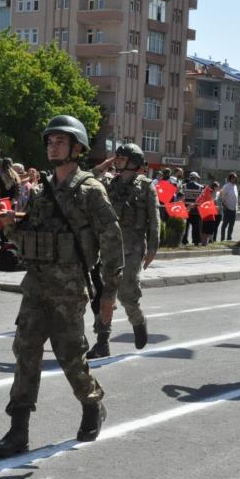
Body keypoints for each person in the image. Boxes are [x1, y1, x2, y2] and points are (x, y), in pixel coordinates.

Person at [0, 115, 123, 458]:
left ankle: (92, 404)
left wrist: (109, 292)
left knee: (70, 357)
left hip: (68, 289)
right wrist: (9, 227)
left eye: (60, 141)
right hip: (36, 286)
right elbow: (28, 238)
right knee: (25, 354)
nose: (52, 146)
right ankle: (18, 430)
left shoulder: (91, 190)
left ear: (77, 148)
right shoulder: (40, 190)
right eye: (50, 142)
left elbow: (111, 240)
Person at [86, 142, 160, 359]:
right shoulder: (110, 182)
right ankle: (102, 342)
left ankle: (138, 322)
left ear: (134, 162)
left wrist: (153, 248)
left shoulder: (146, 186)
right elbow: (87, 180)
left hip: (133, 249)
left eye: (121, 158)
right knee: (105, 297)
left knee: (128, 295)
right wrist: (103, 165)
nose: (117, 161)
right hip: (109, 248)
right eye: (116, 157)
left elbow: (154, 220)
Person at [181, 171, 203, 246]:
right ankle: (196, 241)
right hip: (196, 210)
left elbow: (181, 198)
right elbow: (201, 199)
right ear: (196, 178)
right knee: (196, 227)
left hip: (186, 210)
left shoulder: (184, 186)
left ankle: (184, 240)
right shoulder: (200, 187)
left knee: (185, 227)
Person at [220, 172, 239, 242]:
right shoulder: (226, 186)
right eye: (234, 177)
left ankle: (229, 238)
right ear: (230, 178)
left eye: (236, 178)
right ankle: (222, 238)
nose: (235, 179)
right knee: (225, 224)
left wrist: (237, 208)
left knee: (231, 224)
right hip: (227, 208)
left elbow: (236, 197)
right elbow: (222, 196)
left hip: (234, 209)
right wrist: (224, 205)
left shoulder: (235, 186)